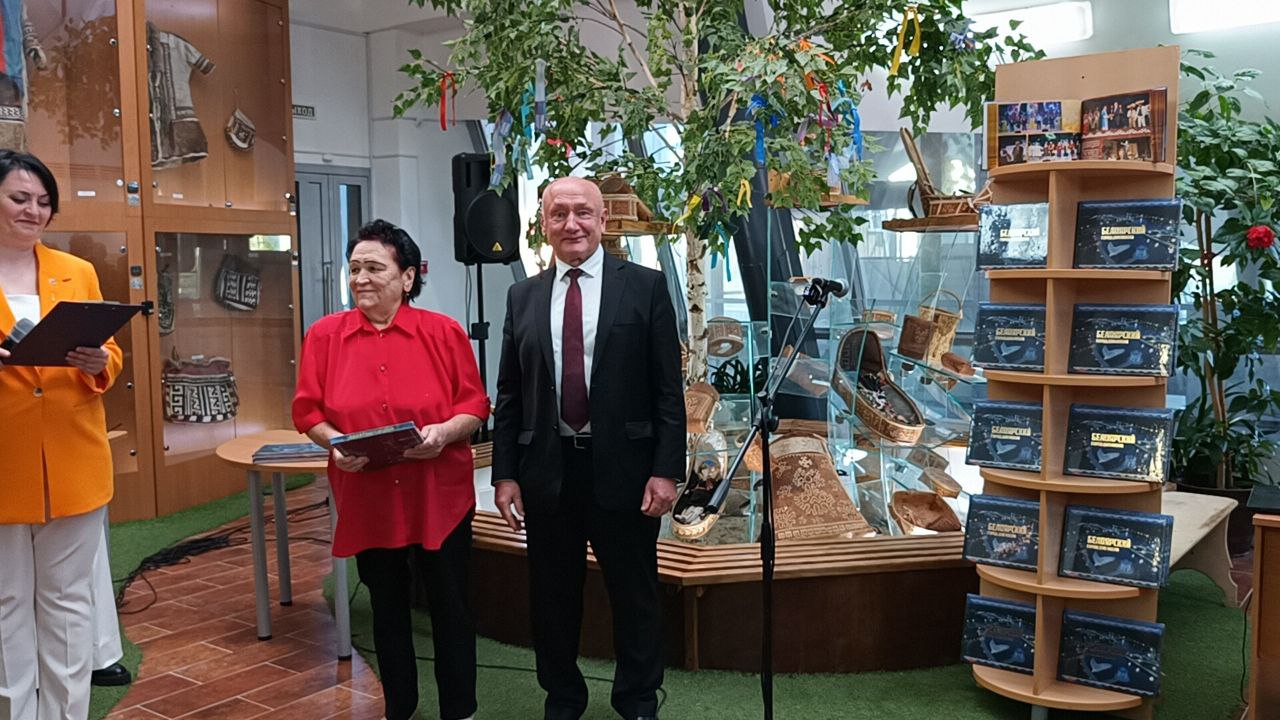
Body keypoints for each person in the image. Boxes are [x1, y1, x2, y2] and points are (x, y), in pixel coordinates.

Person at [492, 177, 684, 720]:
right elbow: (509, 393)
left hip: (626, 470)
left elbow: (668, 390)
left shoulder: (645, 287)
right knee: (552, 598)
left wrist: (666, 470)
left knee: (634, 594)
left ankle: (637, 699)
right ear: (543, 224)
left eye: (582, 212)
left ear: (603, 220)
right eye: (559, 214)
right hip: (547, 471)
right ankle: (563, 697)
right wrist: (505, 474)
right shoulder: (523, 296)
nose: (571, 224)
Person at [292, 219, 487, 720]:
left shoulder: (443, 332)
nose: (361, 278)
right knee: (387, 608)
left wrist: (443, 433)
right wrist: (335, 444)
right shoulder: (324, 336)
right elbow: (308, 411)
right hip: (369, 496)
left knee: (451, 607)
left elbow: (475, 406)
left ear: (407, 277)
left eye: (374, 268)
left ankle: (459, 709)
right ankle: (399, 707)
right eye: (354, 268)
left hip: (439, 495)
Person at [0, 150, 123, 720]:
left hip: (74, 460)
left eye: (44, 202)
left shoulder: (78, 270)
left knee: (69, 603)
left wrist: (100, 361)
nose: (34, 211)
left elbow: (110, 354)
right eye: (19, 198)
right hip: (5, 462)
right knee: (6, 602)